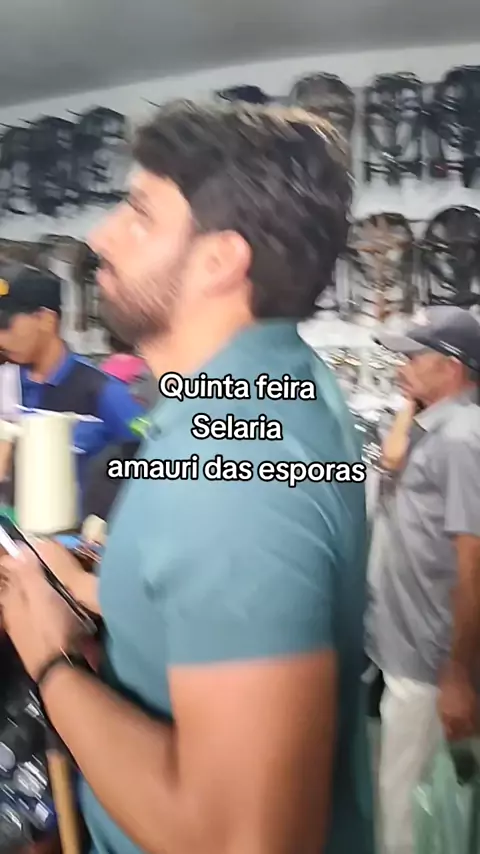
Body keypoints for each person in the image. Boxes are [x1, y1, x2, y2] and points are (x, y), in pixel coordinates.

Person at [0, 102, 374, 854]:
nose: (102, 237)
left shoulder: (239, 471)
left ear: (219, 261)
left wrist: (50, 659)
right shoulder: (265, 390)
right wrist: (105, 597)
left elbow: (245, 838)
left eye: (140, 214)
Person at [366, 305, 480, 854]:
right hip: (408, 652)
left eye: (415, 357)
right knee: (407, 800)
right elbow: (391, 468)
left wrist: (456, 675)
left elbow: (473, 560)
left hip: (431, 664)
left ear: (452, 367)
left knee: (407, 816)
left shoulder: (463, 439)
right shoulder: (434, 428)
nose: (401, 366)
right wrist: (409, 407)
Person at [0, 262, 144, 505]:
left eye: (4, 325)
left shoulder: (103, 393)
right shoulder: (6, 384)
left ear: (46, 320)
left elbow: (157, 454)